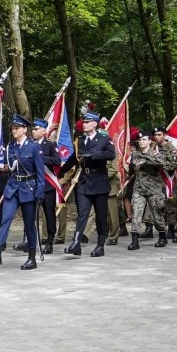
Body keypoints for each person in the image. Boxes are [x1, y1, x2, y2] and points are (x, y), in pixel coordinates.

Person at [0, 114, 45, 269]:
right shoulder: (10, 147)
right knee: (5, 219)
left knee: (29, 224)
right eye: (12, 128)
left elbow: (40, 172)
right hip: (12, 188)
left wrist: (40, 191)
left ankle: (32, 258)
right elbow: (8, 166)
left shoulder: (33, 147)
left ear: (25, 129)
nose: (14, 130)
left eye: (17, 128)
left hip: (28, 188)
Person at [58, 109, 116, 257]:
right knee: (82, 213)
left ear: (95, 124)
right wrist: (62, 171)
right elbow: (75, 158)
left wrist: (92, 155)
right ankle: (76, 243)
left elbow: (111, 154)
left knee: (101, 216)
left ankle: (100, 245)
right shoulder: (82, 140)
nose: (84, 124)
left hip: (99, 181)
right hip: (84, 181)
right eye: (83, 122)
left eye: (88, 122)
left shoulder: (104, 139)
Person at [128, 129, 169, 249]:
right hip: (139, 189)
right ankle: (134, 240)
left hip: (154, 190)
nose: (141, 142)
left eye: (144, 139)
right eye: (140, 140)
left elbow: (161, 163)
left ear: (150, 141)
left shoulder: (155, 154)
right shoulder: (135, 154)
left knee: (157, 216)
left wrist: (145, 161)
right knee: (136, 214)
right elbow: (132, 169)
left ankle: (162, 236)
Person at [30, 119, 61, 254]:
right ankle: (29, 240)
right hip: (32, 184)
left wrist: (40, 158)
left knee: (49, 213)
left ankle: (50, 240)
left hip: (47, 185)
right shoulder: (29, 144)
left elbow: (57, 161)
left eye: (37, 129)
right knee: (30, 213)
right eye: (33, 129)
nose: (34, 131)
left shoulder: (50, 145)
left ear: (44, 131)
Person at [152, 126, 177, 242]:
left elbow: (173, 164)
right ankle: (161, 229)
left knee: (171, 207)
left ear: (164, 135)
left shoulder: (171, 148)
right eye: (155, 135)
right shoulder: (153, 148)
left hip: (169, 182)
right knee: (158, 206)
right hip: (156, 182)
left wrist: (159, 164)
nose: (157, 137)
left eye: (159, 135)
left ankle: (171, 229)